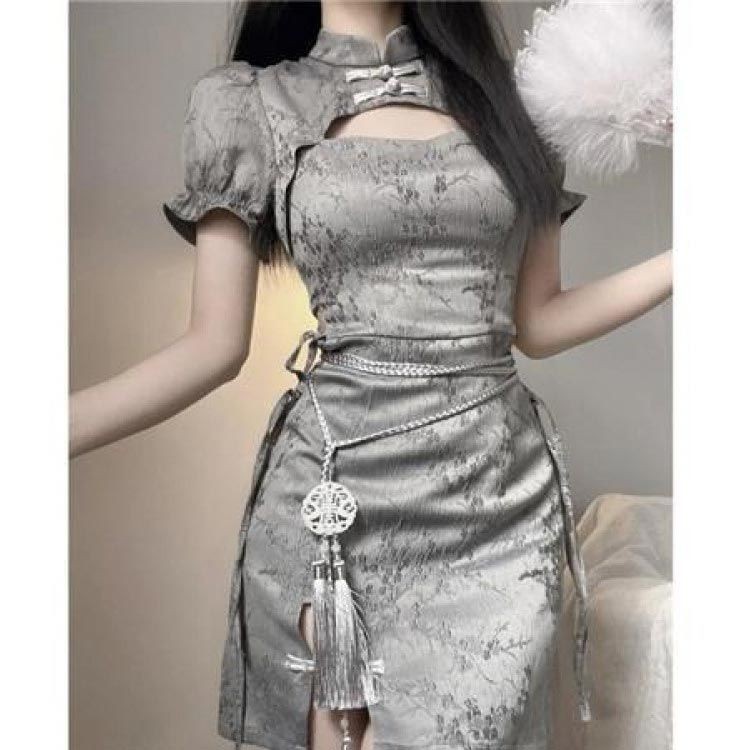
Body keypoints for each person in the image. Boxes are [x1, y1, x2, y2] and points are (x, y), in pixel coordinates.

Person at [69, 2, 673, 749]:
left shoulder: (518, 99)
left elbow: (539, 321)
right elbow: (212, 346)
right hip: (337, 497)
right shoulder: (246, 103)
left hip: (496, 498)